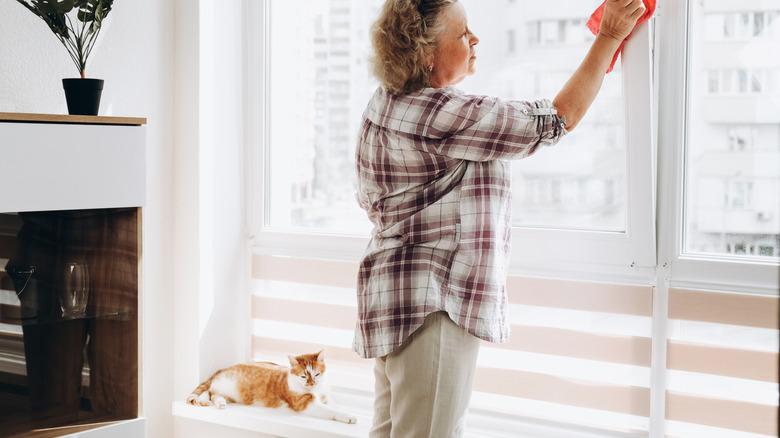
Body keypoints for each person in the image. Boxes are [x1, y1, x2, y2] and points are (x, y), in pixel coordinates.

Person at [353, 0, 645, 436]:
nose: (474, 40)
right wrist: (609, 37)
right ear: (426, 52)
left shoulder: (385, 104)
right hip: (432, 305)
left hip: (392, 300)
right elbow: (557, 118)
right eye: (461, 33)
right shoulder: (439, 113)